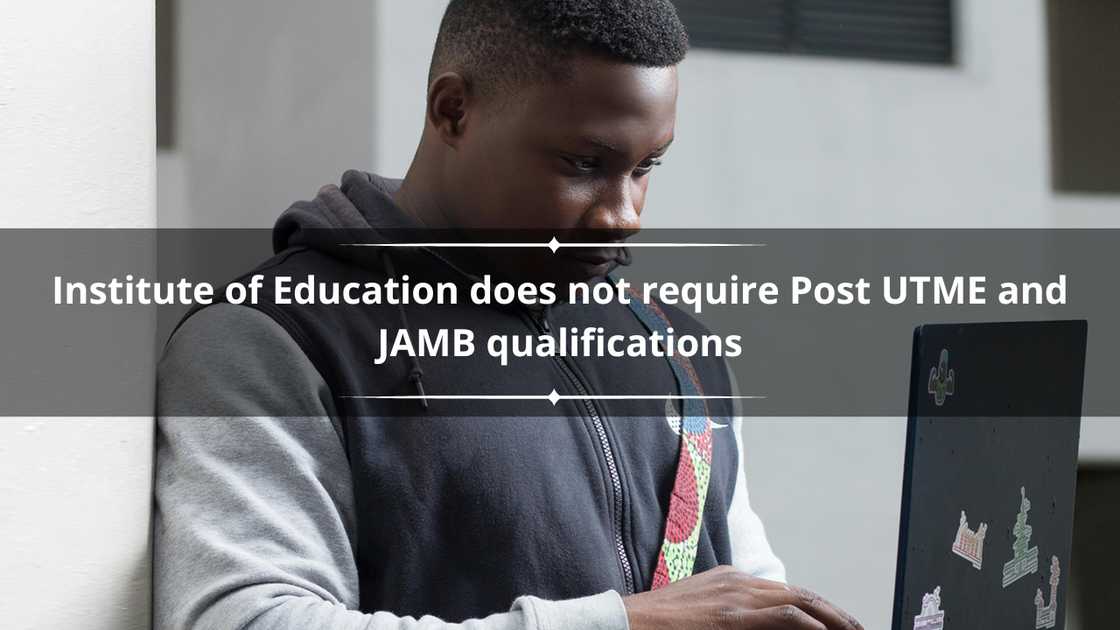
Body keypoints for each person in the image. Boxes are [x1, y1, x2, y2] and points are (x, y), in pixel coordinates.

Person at [154, 1, 863, 629]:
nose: (625, 216)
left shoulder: (678, 349)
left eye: (647, 167)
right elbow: (244, 618)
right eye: (585, 163)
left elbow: (742, 597)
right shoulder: (277, 338)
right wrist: (625, 625)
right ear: (453, 110)